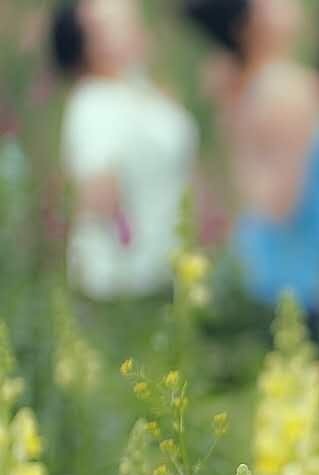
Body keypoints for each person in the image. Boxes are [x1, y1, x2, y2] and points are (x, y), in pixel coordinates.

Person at [184, 0, 319, 329]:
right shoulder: (286, 88)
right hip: (293, 282)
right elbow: (280, 202)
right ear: (249, 23)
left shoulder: (258, 85)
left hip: (270, 272)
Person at [50, 0, 197, 301]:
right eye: (116, 22)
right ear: (89, 43)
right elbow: (98, 197)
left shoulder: (135, 86)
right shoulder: (94, 104)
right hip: (124, 283)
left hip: (162, 272)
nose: (134, 25)